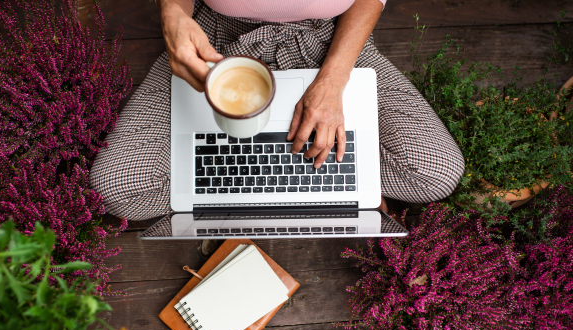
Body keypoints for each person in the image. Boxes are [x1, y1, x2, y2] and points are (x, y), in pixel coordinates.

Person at [89, 0, 464, 221]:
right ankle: (306, 184)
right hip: (217, 34)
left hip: (330, 37)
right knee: (116, 191)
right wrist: (172, 13)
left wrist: (333, 81)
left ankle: (259, 182)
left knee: (436, 174)